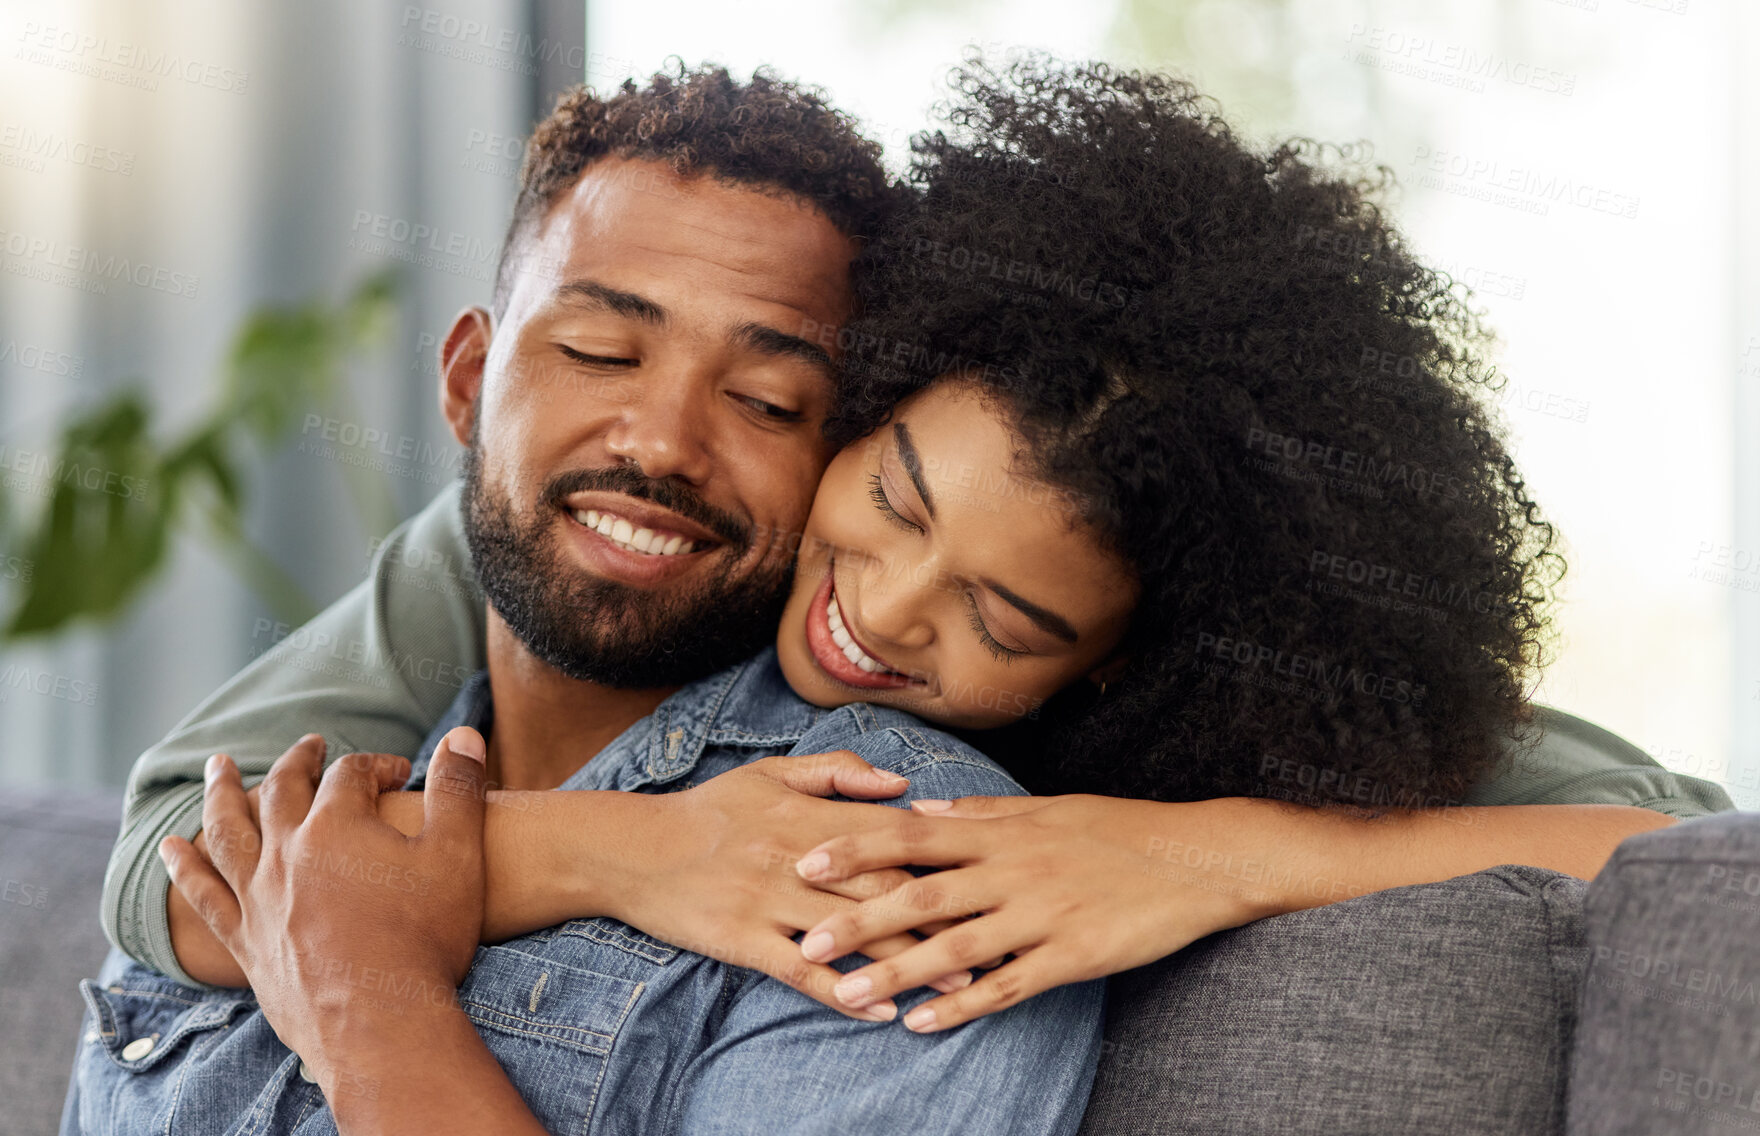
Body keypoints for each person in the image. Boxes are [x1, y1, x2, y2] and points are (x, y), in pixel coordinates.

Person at [76, 57, 1731, 1130]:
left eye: (1006, 622)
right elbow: (173, 859)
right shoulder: (507, 562)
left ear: (1111, 665)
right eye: (890, 497)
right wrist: (609, 850)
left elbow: (1686, 858)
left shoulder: (951, 855)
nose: (884, 609)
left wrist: (1202, 849)